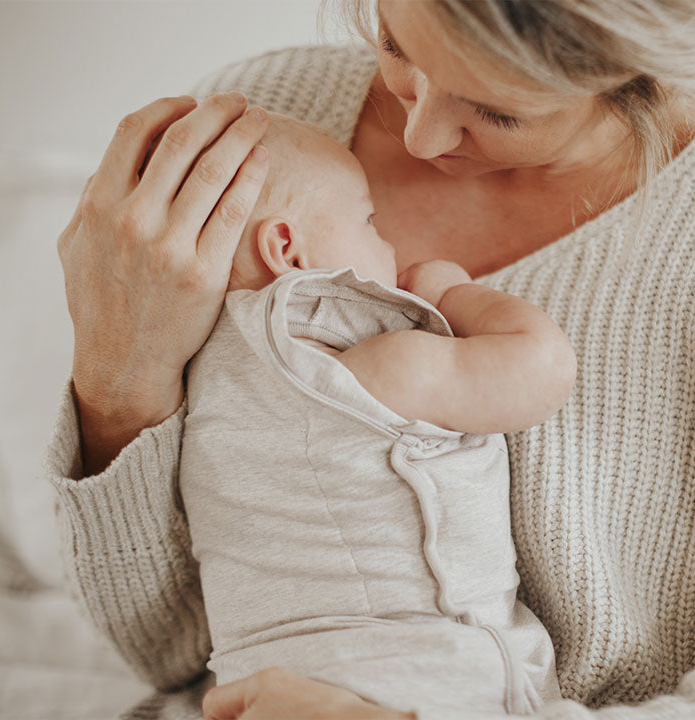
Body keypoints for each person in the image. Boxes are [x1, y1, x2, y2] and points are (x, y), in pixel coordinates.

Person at [49, 1, 695, 719]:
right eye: (397, 44)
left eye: (496, 109)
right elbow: (172, 650)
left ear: (636, 74)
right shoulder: (255, 145)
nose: (421, 138)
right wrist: (120, 374)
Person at [179, 112, 568, 716]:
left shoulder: (205, 372)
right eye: (369, 221)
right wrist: (449, 291)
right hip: (413, 675)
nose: (389, 245)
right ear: (286, 249)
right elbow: (540, 369)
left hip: (255, 685)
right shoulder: (358, 366)